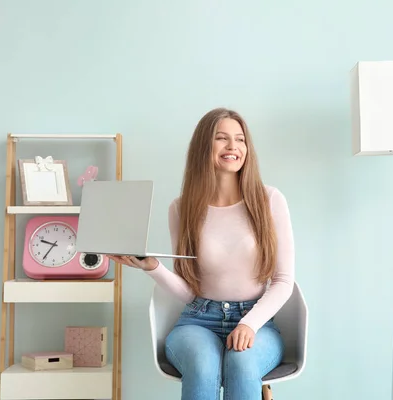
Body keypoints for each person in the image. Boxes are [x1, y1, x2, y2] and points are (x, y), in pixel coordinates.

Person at [109, 107, 295, 400]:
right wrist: (153, 267)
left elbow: (284, 281)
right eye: (222, 138)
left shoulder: (269, 200)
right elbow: (190, 292)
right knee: (202, 364)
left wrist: (248, 323)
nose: (233, 146)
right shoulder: (181, 208)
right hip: (198, 320)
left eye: (240, 139)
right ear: (203, 147)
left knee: (243, 361)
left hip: (256, 319)